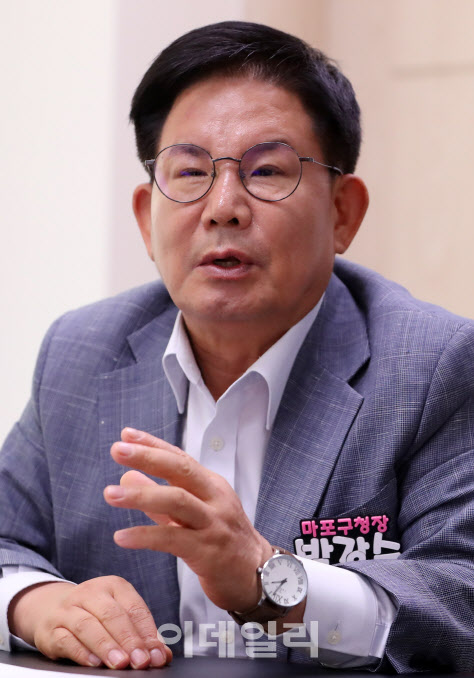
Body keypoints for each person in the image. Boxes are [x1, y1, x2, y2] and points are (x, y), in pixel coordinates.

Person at [0, 20, 473, 674]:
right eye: (191, 172)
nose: (223, 207)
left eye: (267, 171)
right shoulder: (81, 353)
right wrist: (36, 603)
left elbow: (460, 598)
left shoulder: (433, 364)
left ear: (342, 212)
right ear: (146, 219)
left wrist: (273, 583)